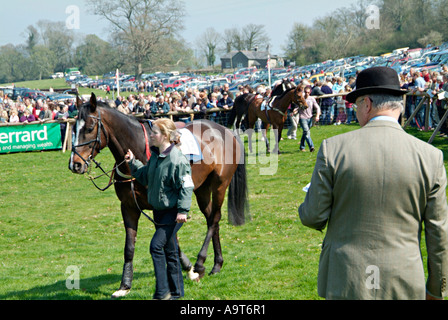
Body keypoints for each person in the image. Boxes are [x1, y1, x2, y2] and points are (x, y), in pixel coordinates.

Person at [299, 66, 448, 300]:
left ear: (366, 104)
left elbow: (312, 216)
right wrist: (437, 289)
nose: (357, 111)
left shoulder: (333, 149)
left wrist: (310, 200)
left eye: (356, 104)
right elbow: (438, 233)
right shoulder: (431, 157)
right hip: (405, 280)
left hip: (346, 278)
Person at [125, 118, 193, 300]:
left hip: (173, 214)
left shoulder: (177, 159)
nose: (151, 135)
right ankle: (177, 294)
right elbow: (145, 177)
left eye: (154, 132)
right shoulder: (155, 156)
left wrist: (183, 211)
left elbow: (187, 186)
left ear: (164, 136)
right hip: (159, 212)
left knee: (156, 247)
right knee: (170, 252)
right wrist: (132, 162)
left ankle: (162, 293)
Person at [298, 86, 321, 152]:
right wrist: (294, 111)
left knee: (305, 132)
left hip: (310, 118)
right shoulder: (301, 99)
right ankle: (311, 147)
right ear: (304, 92)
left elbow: (317, 108)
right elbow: (297, 107)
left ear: (310, 92)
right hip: (302, 117)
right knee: (307, 132)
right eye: (305, 92)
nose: (307, 93)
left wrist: (317, 116)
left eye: (308, 92)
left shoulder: (312, 99)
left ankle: (302, 146)